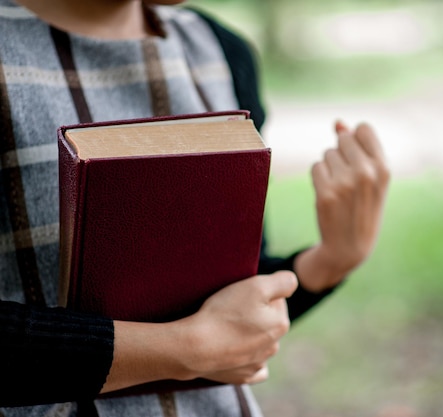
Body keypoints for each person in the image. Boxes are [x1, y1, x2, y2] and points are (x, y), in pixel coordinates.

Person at [0, 0, 390, 416]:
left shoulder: (222, 50)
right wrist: (186, 348)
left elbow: (234, 312)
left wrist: (332, 260)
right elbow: (210, 338)